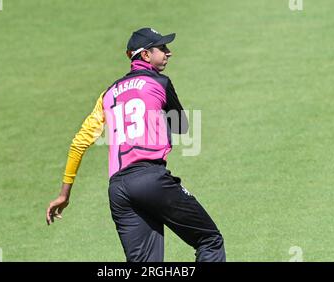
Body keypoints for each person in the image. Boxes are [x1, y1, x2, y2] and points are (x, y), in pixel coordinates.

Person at [46, 27, 226, 262]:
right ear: (145, 55)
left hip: (118, 191)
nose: (168, 53)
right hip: (151, 179)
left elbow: (79, 143)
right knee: (210, 240)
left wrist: (64, 194)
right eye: (162, 48)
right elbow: (181, 126)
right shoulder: (160, 82)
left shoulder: (107, 94)